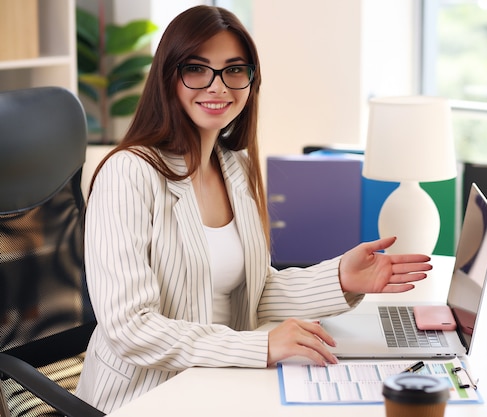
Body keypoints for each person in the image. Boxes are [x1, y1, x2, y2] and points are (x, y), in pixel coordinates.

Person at [75, 5, 432, 413]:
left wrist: (339, 278)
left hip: (219, 380)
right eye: (197, 68)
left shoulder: (235, 166)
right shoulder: (129, 174)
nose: (218, 87)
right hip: (145, 396)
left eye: (234, 70)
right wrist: (260, 345)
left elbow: (252, 294)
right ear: (168, 76)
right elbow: (130, 327)